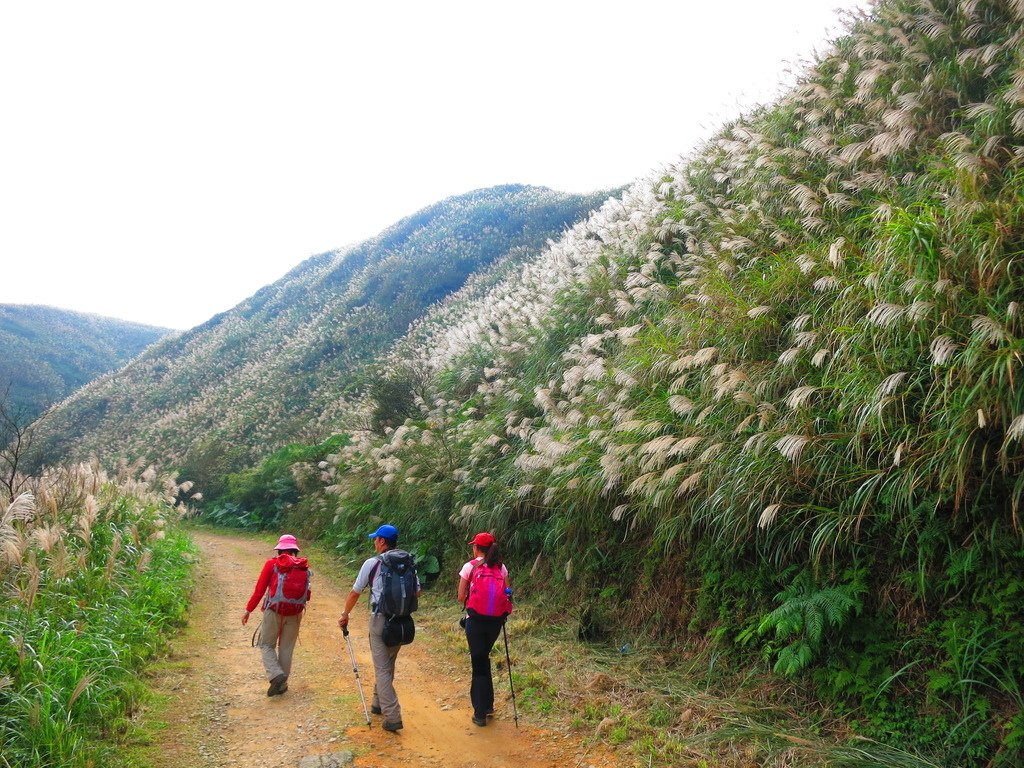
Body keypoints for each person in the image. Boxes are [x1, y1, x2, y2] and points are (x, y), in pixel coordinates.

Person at [338, 523, 420, 733]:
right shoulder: (408, 562)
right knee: (388, 664)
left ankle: (392, 716)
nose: (374, 542)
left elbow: (355, 592)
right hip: (402, 621)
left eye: (376, 539)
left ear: (382, 541)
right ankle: (377, 704)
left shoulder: (372, 563)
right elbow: (417, 593)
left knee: (382, 668)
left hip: (380, 621)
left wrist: (345, 615)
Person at [242, 533, 311, 696]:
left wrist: (248, 610)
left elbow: (259, 590)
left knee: (266, 645)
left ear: (279, 549)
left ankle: (275, 675)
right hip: (295, 613)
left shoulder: (271, 564)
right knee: (286, 648)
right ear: (295, 550)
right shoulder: (303, 567)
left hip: (273, 611)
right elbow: (307, 595)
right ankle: (282, 685)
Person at [458, 531, 512, 727]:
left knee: (478, 663)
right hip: (495, 623)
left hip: (475, 621)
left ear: (476, 548)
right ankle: (488, 705)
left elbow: (460, 596)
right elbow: (507, 594)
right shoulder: (501, 567)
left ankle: (479, 713)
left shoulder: (469, 567)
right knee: (484, 657)